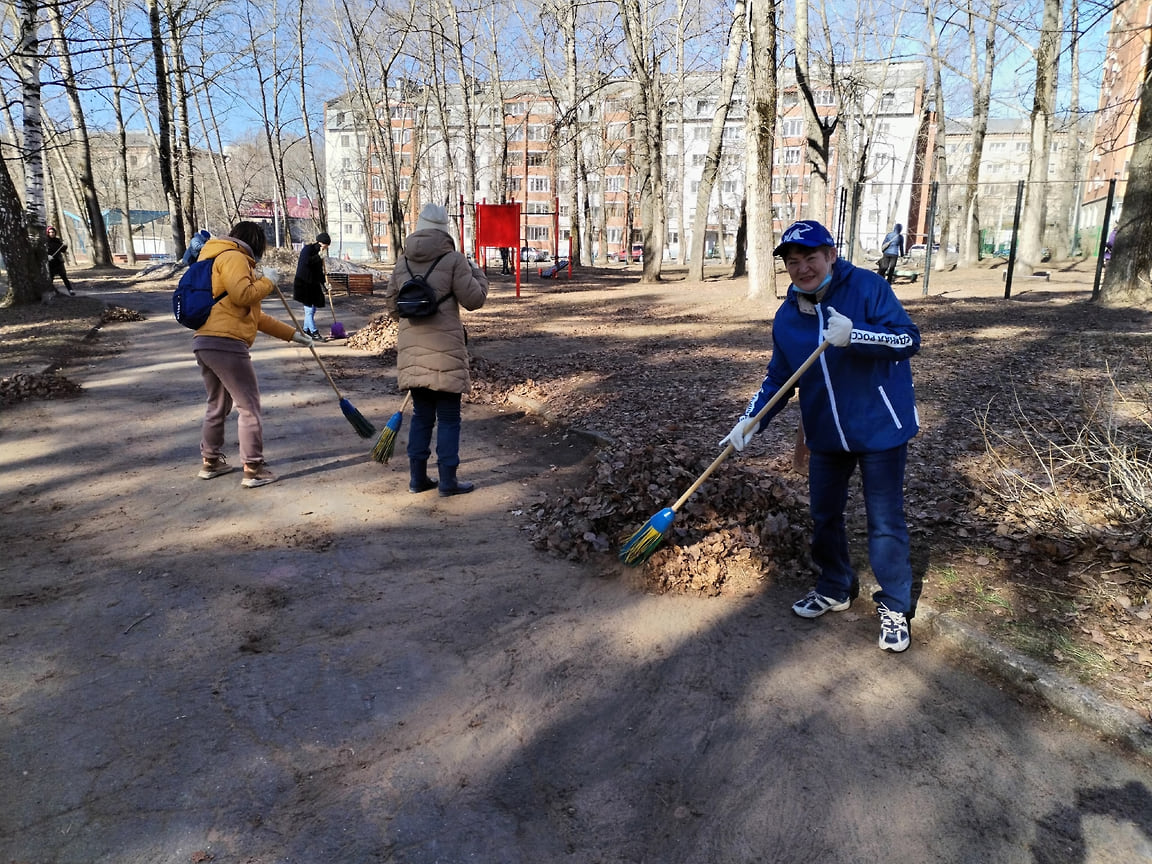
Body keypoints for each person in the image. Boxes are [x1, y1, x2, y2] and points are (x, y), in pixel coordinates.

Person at [720, 219, 921, 652]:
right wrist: (750, 421)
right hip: (826, 433)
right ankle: (835, 586)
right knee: (824, 514)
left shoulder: (867, 287)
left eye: (811, 257)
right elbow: (780, 378)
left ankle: (895, 606)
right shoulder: (788, 316)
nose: (803, 268)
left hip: (880, 427)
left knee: (884, 521)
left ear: (830, 254)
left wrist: (857, 336)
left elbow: (907, 340)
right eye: (793, 262)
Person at [192, 221, 313, 488]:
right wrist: (268, 282)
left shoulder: (216, 259)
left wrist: (293, 334)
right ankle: (253, 468)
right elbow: (243, 295)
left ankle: (210, 462)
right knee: (249, 407)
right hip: (227, 344)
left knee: (218, 404)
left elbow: (255, 316)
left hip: (206, 341)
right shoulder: (234, 257)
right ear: (256, 243)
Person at [385, 203, 489, 496]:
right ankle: (447, 482)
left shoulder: (402, 262)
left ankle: (417, 479)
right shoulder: (454, 259)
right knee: (448, 418)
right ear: (445, 231)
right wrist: (478, 274)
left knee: (421, 416)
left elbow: (393, 308)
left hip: (412, 352)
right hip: (446, 350)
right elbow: (474, 300)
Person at [293, 231, 331, 340]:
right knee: (309, 310)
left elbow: (319, 272)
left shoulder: (320, 253)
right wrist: (318, 257)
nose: (325, 248)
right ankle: (314, 332)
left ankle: (305, 330)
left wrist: (325, 283)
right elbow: (307, 262)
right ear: (321, 242)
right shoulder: (308, 249)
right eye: (325, 245)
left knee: (312, 310)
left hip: (312, 285)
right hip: (304, 283)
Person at [45, 226, 74, 296]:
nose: (51, 234)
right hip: (51, 263)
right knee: (51, 278)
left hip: (59, 262)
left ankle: (70, 290)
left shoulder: (57, 241)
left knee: (64, 277)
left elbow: (63, 250)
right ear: (47, 233)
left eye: (53, 232)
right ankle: (49, 292)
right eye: (50, 232)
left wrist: (65, 246)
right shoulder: (45, 242)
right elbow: (42, 251)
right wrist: (47, 256)